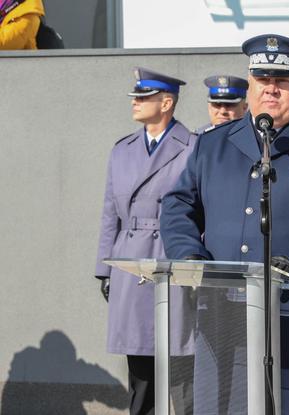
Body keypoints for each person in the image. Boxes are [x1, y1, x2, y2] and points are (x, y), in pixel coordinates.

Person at [159, 33, 289, 415]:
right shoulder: (214, 144)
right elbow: (178, 204)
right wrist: (190, 257)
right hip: (222, 313)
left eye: (282, 81)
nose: (270, 90)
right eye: (262, 80)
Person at [94, 67, 198, 415]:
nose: (135, 103)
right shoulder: (122, 149)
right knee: (139, 365)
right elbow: (111, 212)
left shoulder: (193, 146)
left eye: (143, 97)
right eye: (135, 97)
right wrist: (104, 269)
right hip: (130, 262)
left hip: (173, 257)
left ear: (166, 103)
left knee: (182, 360)